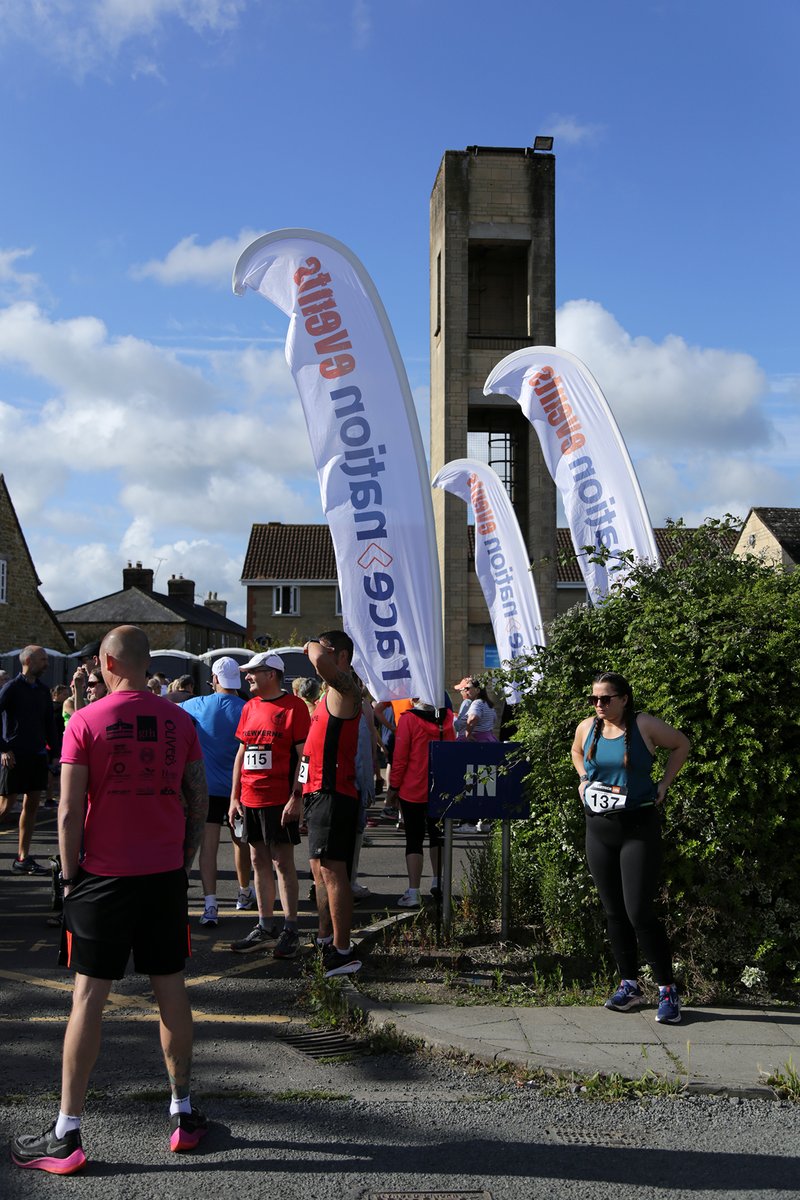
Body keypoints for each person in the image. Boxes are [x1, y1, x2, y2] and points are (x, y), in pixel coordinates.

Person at [10, 626, 209, 1174]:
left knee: (88, 999)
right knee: (171, 989)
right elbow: (196, 799)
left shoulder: (84, 720)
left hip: (102, 878)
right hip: (163, 874)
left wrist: (69, 879)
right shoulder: (180, 720)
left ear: (107, 663)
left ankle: (67, 1132)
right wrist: (183, 859)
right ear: (145, 663)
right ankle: (183, 1113)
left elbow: (68, 811)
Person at [571, 671, 690, 1026]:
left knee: (638, 911)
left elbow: (681, 744)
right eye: (594, 699)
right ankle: (630, 985)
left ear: (624, 699)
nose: (598, 704)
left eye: (605, 699)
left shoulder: (643, 725)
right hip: (599, 829)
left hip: (638, 828)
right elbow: (576, 751)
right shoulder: (587, 727)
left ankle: (667, 990)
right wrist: (583, 779)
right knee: (614, 911)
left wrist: (665, 783)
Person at [228, 652, 310, 959]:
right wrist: (234, 797)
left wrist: (297, 796)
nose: (247, 677)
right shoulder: (249, 706)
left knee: (282, 862)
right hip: (250, 798)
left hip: (280, 800)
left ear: (271, 674)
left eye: (253, 671)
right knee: (257, 860)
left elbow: (305, 757)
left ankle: (291, 929)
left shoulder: (294, 707)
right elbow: (241, 754)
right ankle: (265, 927)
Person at [302, 632, 363, 977]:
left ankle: (343, 951)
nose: (315, 656)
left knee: (333, 872)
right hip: (316, 792)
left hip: (334, 792)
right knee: (320, 872)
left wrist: (313, 643)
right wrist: (298, 796)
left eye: (327, 651)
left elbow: (318, 659)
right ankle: (326, 940)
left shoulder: (346, 691)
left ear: (341, 657)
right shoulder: (326, 697)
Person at [180, 657, 253, 925]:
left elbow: (169, 705)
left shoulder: (198, 704)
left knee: (208, 847)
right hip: (239, 789)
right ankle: (244, 892)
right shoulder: (247, 708)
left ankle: (210, 904)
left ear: (214, 679)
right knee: (241, 842)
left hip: (207, 789)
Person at [386, 701, 456, 907]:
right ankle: (438, 882)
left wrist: (393, 787)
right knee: (437, 836)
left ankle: (414, 891)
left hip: (413, 788)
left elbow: (400, 758)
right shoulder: (447, 718)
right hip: (439, 787)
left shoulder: (408, 719)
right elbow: (452, 751)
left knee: (414, 839)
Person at [0, 645, 55, 873]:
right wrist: (3, 749)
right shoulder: (11, 688)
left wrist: (55, 753)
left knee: (32, 805)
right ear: (28, 661)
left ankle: (22, 858)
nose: (46, 664)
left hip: (37, 755)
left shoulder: (42, 690)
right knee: (5, 807)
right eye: (43, 659)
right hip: (14, 756)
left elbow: (49, 723)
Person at [457, 678, 498, 743]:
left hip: (475, 741)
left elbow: (473, 717)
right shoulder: (488, 704)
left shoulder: (477, 703)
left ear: (477, 690)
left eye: (467, 688)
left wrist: (468, 734)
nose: (465, 691)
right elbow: (494, 720)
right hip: (488, 739)